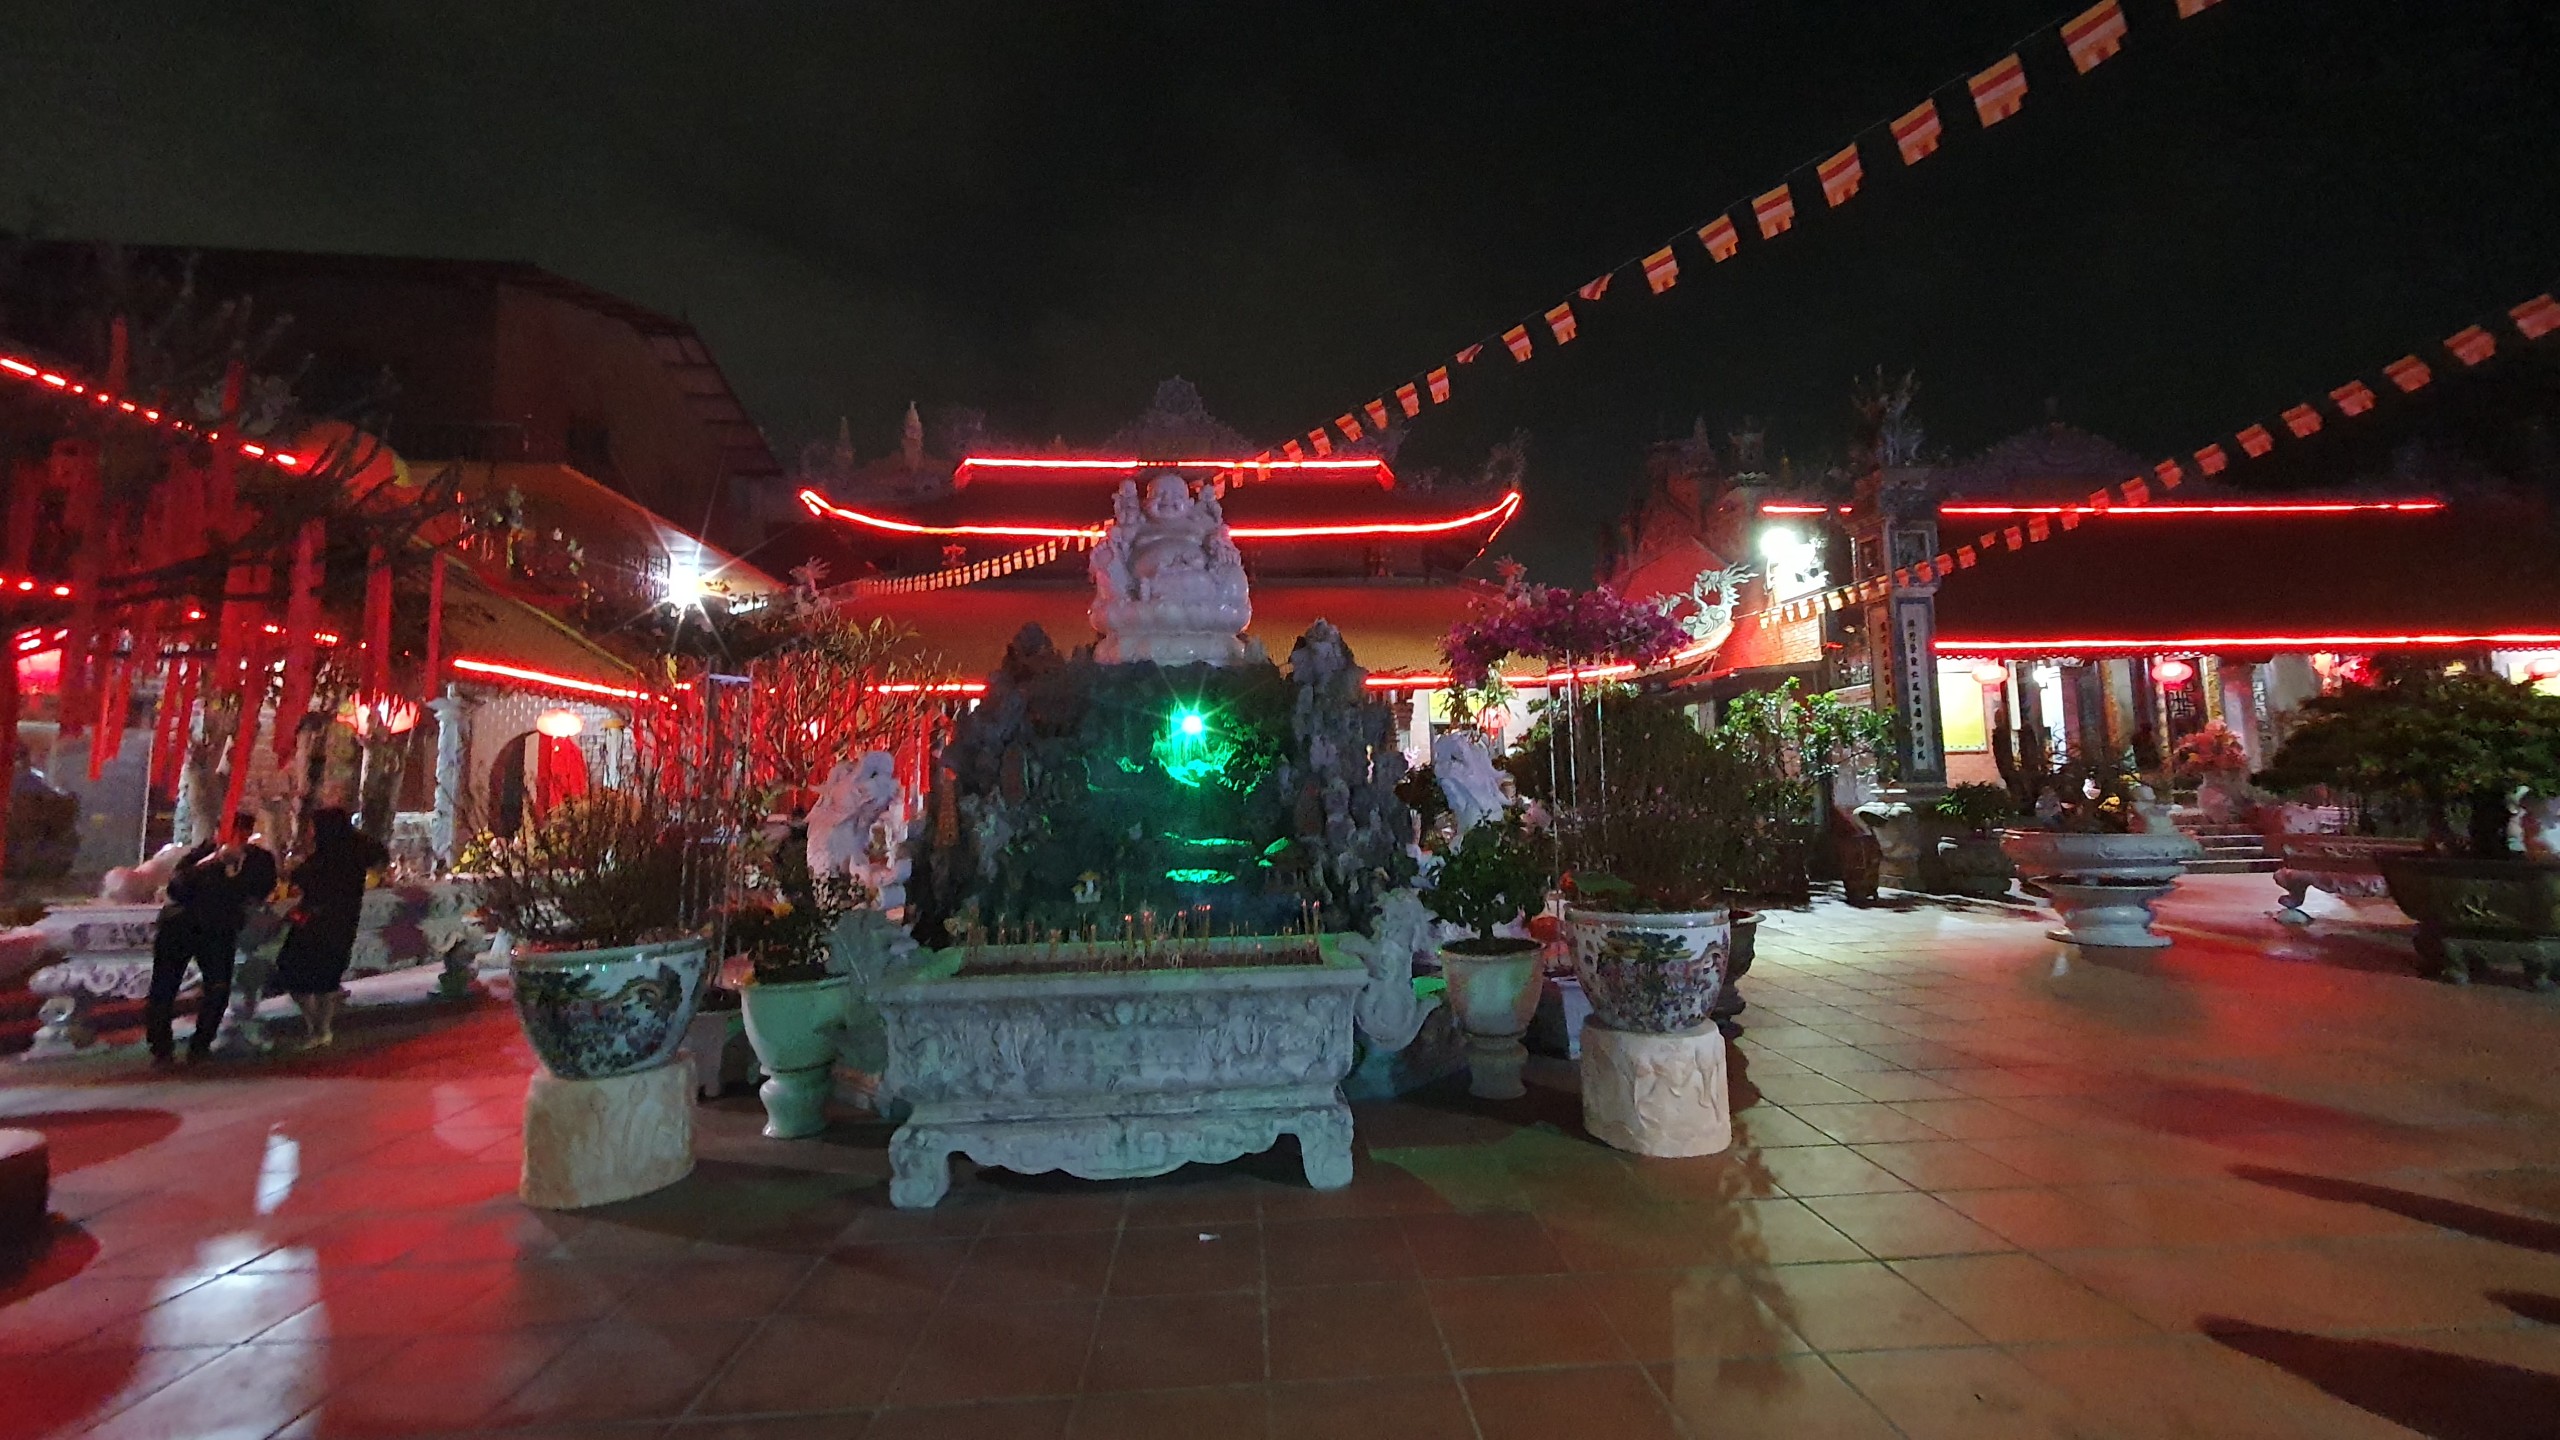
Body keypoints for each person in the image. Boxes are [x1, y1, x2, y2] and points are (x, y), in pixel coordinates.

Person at [146, 813, 278, 1066]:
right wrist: (212, 862)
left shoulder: (257, 859)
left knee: (217, 988)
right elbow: (177, 886)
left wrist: (237, 870)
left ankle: (200, 1047)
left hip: (218, 929)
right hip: (180, 926)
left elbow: (261, 888)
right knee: (165, 987)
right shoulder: (199, 855)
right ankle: (161, 1048)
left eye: (240, 833)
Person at [274, 807, 389, 1048]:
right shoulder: (355, 852)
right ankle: (321, 1028)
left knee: (298, 972)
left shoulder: (326, 858)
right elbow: (379, 858)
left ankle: (316, 1027)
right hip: (341, 922)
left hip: (316, 922)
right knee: (325, 978)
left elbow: (302, 878)